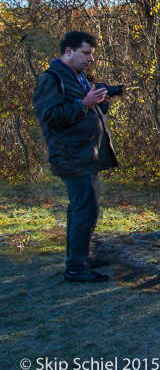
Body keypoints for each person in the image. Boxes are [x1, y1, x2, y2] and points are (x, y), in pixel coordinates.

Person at [33, 31, 118, 283]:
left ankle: (80, 258)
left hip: (87, 155)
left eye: (91, 54)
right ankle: (76, 269)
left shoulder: (79, 76)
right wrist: (84, 103)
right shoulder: (52, 78)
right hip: (71, 156)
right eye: (86, 53)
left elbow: (88, 109)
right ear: (68, 51)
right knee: (85, 211)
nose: (90, 59)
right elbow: (49, 117)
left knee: (82, 210)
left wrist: (101, 101)